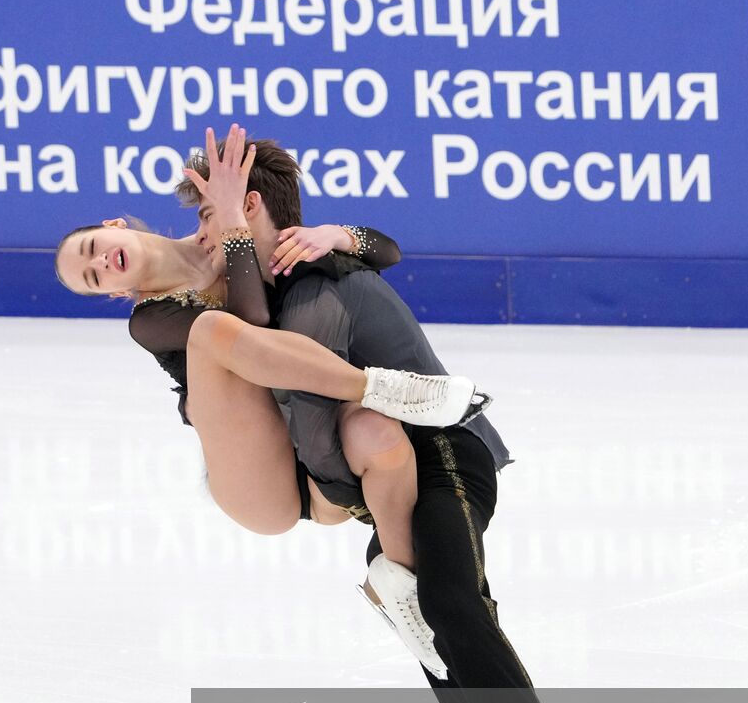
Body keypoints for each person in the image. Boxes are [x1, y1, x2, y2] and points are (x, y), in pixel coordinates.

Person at [178, 129, 610, 703]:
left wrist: (324, 499)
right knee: (425, 595)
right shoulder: (297, 272)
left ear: (248, 207)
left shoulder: (312, 285)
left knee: (447, 600)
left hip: (446, 458)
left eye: (207, 215)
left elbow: (312, 424)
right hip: (395, 474)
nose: (200, 235)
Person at [56, 126, 486, 669]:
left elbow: (385, 251)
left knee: (380, 436)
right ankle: (382, 386)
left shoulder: (221, 230)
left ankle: (402, 597)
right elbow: (252, 321)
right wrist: (233, 224)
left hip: (315, 450)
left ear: (114, 227)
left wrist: (333, 233)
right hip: (260, 481)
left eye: (92, 250)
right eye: (92, 279)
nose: (100, 264)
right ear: (114, 293)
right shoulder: (150, 318)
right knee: (212, 331)